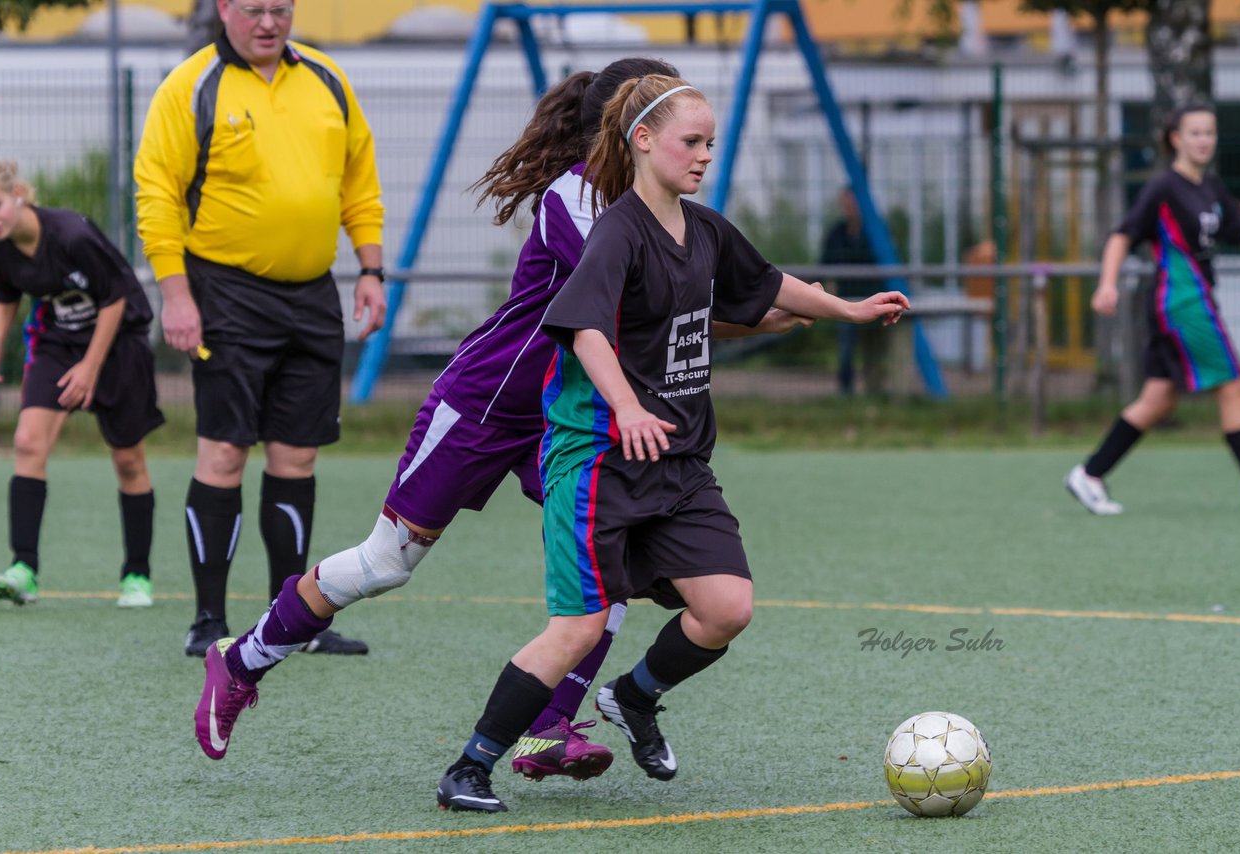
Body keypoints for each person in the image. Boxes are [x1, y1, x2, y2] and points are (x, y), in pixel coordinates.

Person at [189, 57, 815, 780]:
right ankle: (243, 658)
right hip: (486, 406)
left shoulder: (655, 210)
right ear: (632, 130)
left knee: (599, 573)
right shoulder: (578, 200)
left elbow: (681, 307)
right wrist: (764, 315)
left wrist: (777, 307)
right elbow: (652, 305)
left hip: (567, 422)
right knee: (386, 563)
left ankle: (548, 732)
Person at [435, 74, 909, 813]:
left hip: (679, 465)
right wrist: (624, 405)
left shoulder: (705, 227)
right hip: (598, 460)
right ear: (643, 140)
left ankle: (633, 696)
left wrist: (848, 308)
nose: (703, 156)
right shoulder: (617, 229)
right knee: (578, 626)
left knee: (726, 608)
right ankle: (471, 766)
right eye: (692, 142)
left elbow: (771, 281)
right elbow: (585, 327)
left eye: (711, 144)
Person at [134, 0, 386, 655]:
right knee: (223, 452)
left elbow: (359, 178)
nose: (268, 22)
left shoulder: (327, 79)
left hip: (312, 294)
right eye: (254, 10)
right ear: (225, 10)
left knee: (296, 456)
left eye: (280, 9)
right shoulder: (190, 85)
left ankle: (290, 623)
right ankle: (209, 623)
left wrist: (371, 268)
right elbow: (157, 191)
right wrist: (176, 294)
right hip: (225, 294)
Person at [0, 158, 162, 608]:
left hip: (117, 343)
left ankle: (137, 575)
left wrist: (91, 369)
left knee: (129, 461)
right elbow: (6, 295)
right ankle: (24, 569)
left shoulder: (72, 235)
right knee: (27, 443)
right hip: (58, 342)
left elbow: (115, 300)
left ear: (18, 194)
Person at [1065, 104, 1240, 515]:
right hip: (1182, 303)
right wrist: (1107, 284)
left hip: (1192, 302)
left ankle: (1089, 474)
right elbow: (1121, 236)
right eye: (1195, 133)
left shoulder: (1212, 189)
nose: (1204, 140)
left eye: (1209, 133)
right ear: (1176, 139)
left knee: (1159, 399)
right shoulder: (1164, 188)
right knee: (1234, 387)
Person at [819, 186, 886, 395]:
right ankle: (846, 391)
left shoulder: (874, 232)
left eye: (853, 202)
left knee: (874, 349)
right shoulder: (836, 233)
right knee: (846, 348)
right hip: (847, 298)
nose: (849, 207)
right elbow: (824, 266)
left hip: (871, 296)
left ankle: (874, 390)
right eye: (846, 202)